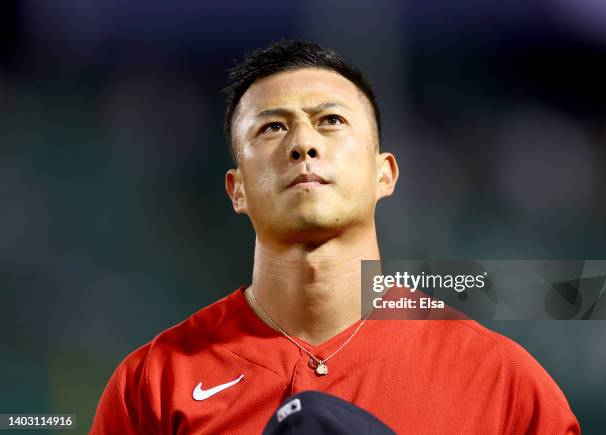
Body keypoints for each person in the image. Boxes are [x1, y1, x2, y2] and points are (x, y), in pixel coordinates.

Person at [90, 39, 580, 434]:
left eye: (331, 121)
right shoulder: (153, 384)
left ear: (383, 174)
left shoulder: (501, 382)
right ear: (236, 190)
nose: (303, 144)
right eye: (272, 128)